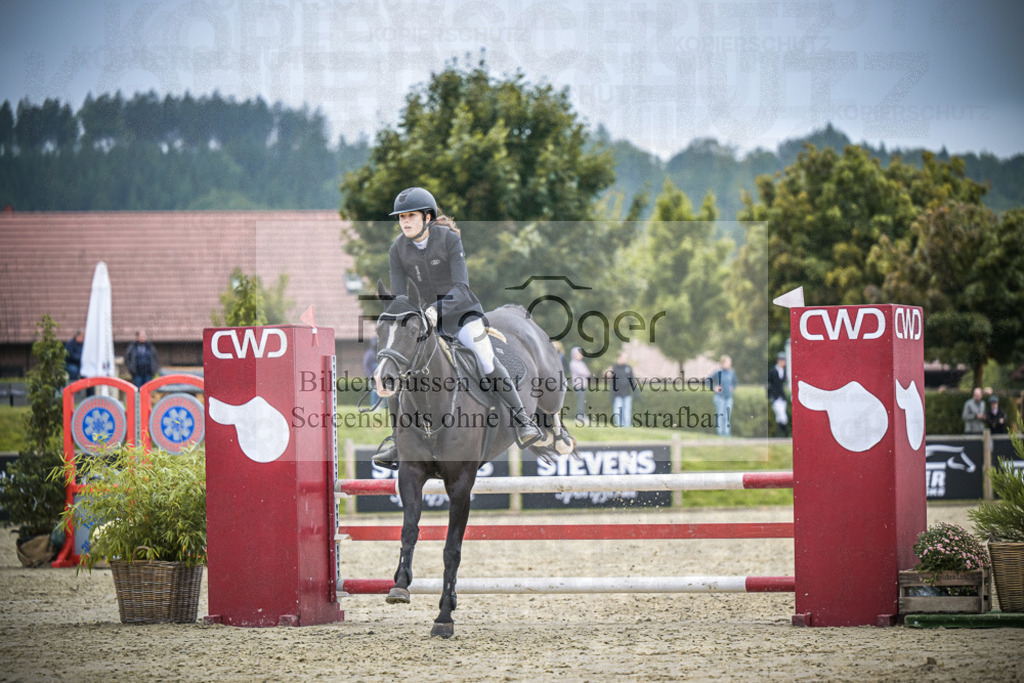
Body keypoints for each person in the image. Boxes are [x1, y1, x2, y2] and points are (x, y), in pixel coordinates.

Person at [371, 187, 542, 470]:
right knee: (401, 367)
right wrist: (406, 317)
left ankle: (523, 420)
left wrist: (434, 310)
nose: (404, 221)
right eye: (401, 217)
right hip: (424, 321)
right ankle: (396, 440)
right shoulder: (397, 249)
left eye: (410, 215)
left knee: (485, 357)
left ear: (428, 217)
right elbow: (401, 299)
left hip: (462, 314)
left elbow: (461, 288)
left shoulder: (448, 240)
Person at [710, 355, 738, 437]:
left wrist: (733, 387)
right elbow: (708, 381)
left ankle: (726, 432)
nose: (729, 364)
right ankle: (720, 432)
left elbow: (735, 382)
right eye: (727, 362)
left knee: (727, 416)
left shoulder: (731, 373)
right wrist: (714, 387)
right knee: (720, 415)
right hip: (719, 397)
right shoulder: (718, 372)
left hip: (729, 398)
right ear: (722, 363)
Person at [606, 352, 636, 428]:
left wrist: (636, 392)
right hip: (617, 394)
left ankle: (627, 426)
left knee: (627, 410)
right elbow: (612, 382)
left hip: (627, 393)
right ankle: (619, 425)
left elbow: (632, 380)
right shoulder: (614, 368)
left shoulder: (628, 368)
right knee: (618, 410)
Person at [766, 352, 789, 437]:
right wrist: (769, 395)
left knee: (780, 416)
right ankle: (784, 434)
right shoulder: (773, 371)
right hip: (775, 396)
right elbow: (769, 384)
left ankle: (779, 434)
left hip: (781, 396)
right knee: (781, 415)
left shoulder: (783, 371)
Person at [568, 346, 591, 424]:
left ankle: (582, 416)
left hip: (583, 386)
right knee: (580, 402)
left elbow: (588, 373)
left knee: (582, 402)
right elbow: (584, 372)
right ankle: (579, 416)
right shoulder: (573, 363)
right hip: (578, 386)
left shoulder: (582, 363)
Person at [362, 335, 381, 410]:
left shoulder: (380, 353)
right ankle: (374, 405)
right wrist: (370, 375)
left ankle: (381, 405)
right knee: (374, 391)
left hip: (381, 376)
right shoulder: (369, 353)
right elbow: (366, 365)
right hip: (372, 376)